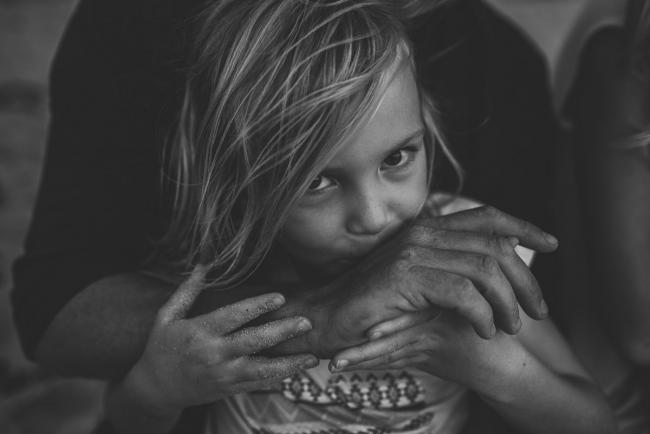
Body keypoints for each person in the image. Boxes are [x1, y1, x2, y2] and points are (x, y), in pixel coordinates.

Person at [103, 2, 615, 433]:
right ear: (236, 180)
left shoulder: (463, 252)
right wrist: (155, 390)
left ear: (425, 125)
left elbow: (594, 421)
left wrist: (492, 366)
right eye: (316, 182)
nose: (374, 215)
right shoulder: (220, 263)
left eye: (396, 159)